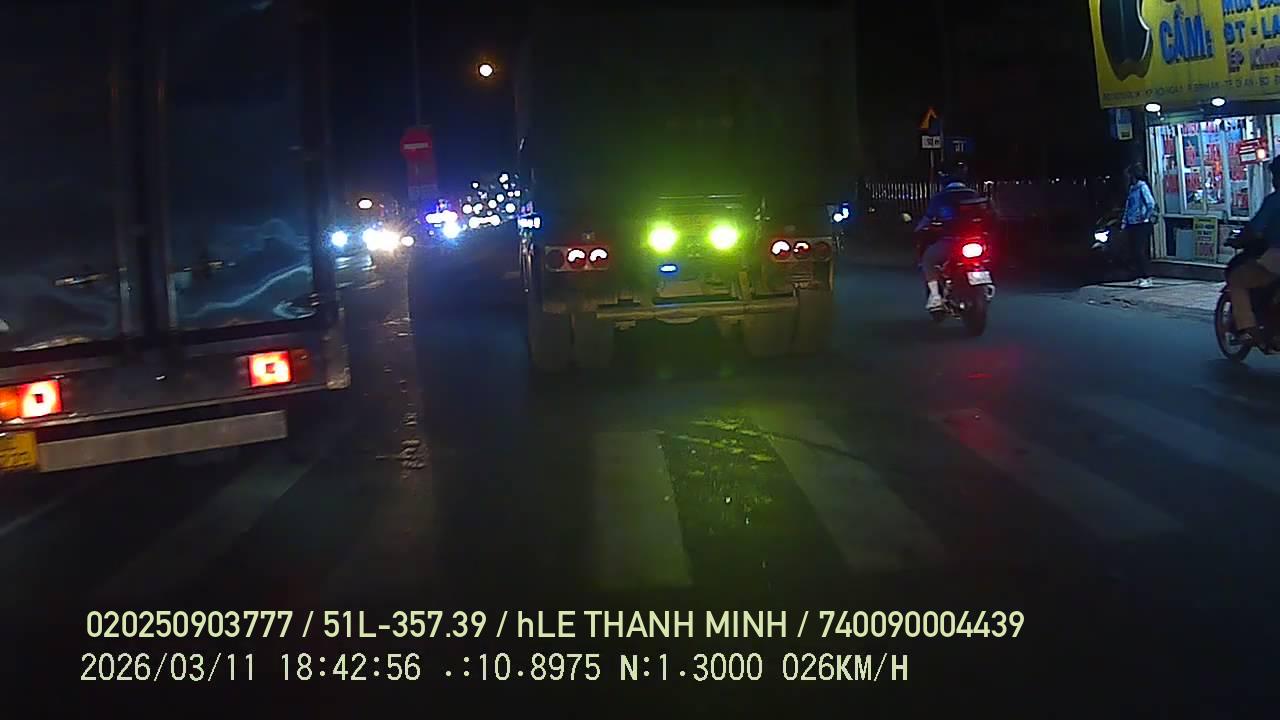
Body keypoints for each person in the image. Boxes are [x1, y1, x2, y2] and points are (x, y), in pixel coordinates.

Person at [917, 163, 985, 310]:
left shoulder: (940, 198)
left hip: (950, 242)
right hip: (977, 242)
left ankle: (935, 297)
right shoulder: (973, 194)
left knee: (928, 260)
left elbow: (927, 219)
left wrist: (919, 229)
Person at [1227, 160, 1280, 346]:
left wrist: (1239, 240)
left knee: (1237, 279)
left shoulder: (1274, 201)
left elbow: (1254, 229)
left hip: (1276, 257)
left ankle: (1248, 329)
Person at [1120, 163, 1157, 288]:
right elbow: (1128, 207)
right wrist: (1124, 221)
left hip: (1142, 224)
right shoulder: (1132, 189)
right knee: (1134, 251)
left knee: (1140, 251)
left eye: (1128, 175)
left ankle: (1147, 277)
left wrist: (1145, 216)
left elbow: (1151, 203)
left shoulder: (1142, 187)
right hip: (1132, 223)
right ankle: (1140, 276)